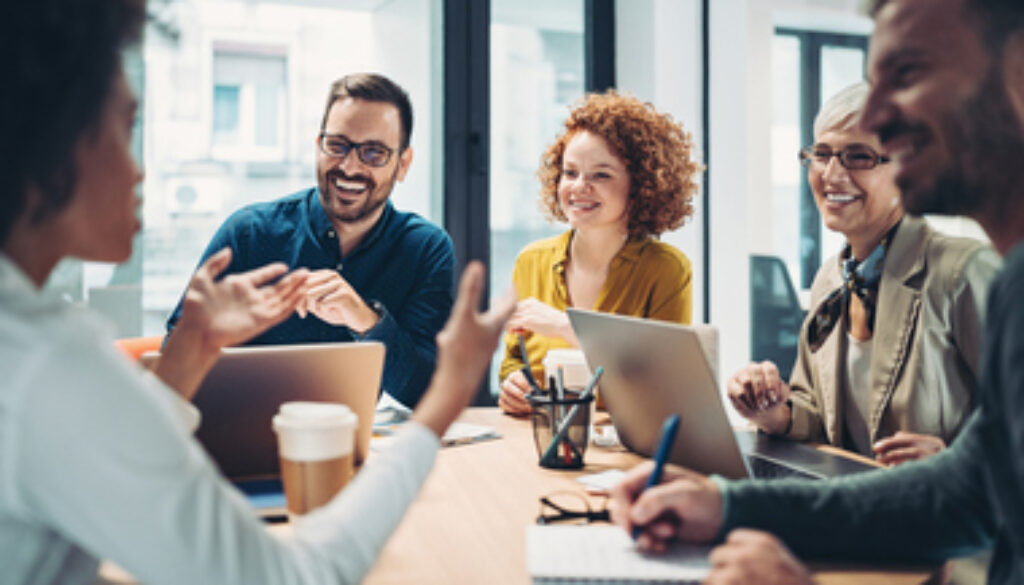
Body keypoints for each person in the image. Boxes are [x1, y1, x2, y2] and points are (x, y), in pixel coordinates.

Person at [0, 2, 514, 583]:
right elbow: (285, 577)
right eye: (126, 129)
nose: (141, 170)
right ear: (54, 146)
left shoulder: (32, 343)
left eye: (373, 152)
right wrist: (447, 399)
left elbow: (100, 481)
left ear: (402, 163)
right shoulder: (51, 361)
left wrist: (191, 355)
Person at [609, 0, 1024, 583]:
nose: (878, 115)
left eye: (907, 74)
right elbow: (962, 493)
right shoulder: (1014, 287)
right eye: (823, 151)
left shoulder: (977, 274)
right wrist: (726, 506)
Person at [727, 81, 999, 464]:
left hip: (948, 514)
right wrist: (773, 412)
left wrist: (955, 462)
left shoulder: (964, 273)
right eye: (822, 154)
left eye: (859, 157)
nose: (831, 175)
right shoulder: (831, 279)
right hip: (860, 510)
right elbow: (822, 416)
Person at [166, 72, 454, 409]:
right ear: (319, 146)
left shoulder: (426, 249)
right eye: (338, 146)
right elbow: (172, 357)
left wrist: (367, 321)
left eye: (374, 153)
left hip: (356, 449)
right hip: (243, 440)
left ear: (402, 164)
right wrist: (214, 337)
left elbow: (427, 393)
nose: (349, 167)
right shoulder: (248, 232)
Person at [498, 91, 701, 415]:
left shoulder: (666, 270)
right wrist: (513, 385)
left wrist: (566, 327)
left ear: (641, 185)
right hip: (541, 444)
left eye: (601, 175)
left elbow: (664, 386)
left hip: (626, 451)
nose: (579, 186)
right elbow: (515, 361)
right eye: (570, 172)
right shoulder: (530, 261)